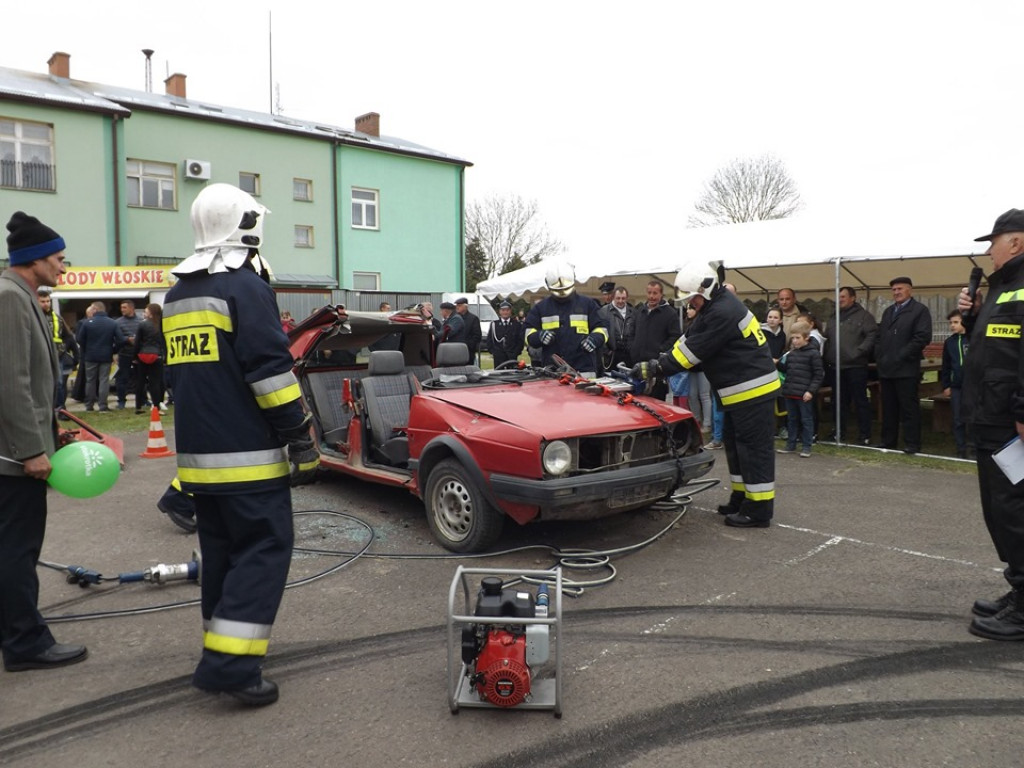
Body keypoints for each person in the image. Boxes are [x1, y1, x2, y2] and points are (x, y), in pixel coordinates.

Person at [163, 183, 319, 706]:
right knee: (264, 548)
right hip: (248, 459)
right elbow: (270, 372)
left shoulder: (179, 293)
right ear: (246, 227)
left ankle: (221, 645)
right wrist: (298, 434)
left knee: (223, 554)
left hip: (199, 462)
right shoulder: (245, 287)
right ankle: (232, 666)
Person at [0, 211, 87, 672]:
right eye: (58, 257)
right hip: (13, 456)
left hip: (19, 445)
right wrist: (31, 449)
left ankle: (15, 629)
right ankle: (25, 643)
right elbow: (10, 382)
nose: (62, 265)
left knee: (12, 546)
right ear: (34, 258)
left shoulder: (23, 294)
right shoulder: (10, 298)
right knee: (17, 548)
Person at [633, 263, 780, 527]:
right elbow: (687, 341)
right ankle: (742, 498)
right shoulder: (714, 307)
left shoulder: (721, 312)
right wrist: (660, 360)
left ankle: (759, 510)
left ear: (707, 290)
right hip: (740, 391)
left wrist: (656, 367)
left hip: (753, 390)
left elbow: (691, 353)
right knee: (737, 448)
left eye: (694, 297)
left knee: (754, 451)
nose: (692, 302)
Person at [958, 209, 1024, 640]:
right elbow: (996, 344)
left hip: (1010, 422)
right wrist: (972, 315)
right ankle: (1019, 589)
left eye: (994, 241)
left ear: (1016, 242)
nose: (989, 250)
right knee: (1002, 511)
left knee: (1016, 511)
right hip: (991, 416)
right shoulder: (1004, 287)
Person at [874, 276, 932, 454]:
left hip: (906, 369)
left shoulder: (919, 311)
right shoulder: (888, 311)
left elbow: (922, 337)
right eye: (893, 290)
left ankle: (912, 443)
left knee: (909, 408)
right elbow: (880, 336)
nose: (896, 292)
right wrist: (880, 356)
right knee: (889, 408)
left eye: (900, 289)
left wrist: (901, 355)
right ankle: (888, 441)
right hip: (887, 369)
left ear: (909, 290)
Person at [524, 262, 607, 376]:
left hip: (583, 369)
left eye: (565, 289)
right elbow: (527, 333)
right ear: (548, 285)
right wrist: (539, 336)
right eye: (557, 290)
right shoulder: (541, 308)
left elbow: (603, 329)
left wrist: (595, 339)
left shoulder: (588, 304)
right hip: (553, 369)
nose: (562, 293)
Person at [823, 286, 877, 446]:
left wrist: (860, 351)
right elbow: (827, 338)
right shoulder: (834, 317)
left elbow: (872, 334)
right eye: (838, 297)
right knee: (838, 401)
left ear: (853, 298)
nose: (840, 299)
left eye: (843, 296)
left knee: (860, 401)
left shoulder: (864, 316)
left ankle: (865, 434)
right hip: (835, 367)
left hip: (855, 366)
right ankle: (838, 432)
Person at [777, 321, 824, 457]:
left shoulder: (813, 354)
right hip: (790, 392)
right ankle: (790, 445)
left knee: (806, 420)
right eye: (793, 338)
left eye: (798, 338)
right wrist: (777, 364)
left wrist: (810, 391)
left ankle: (806, 446)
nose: (794, 341)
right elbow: (787, 370)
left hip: (804, 394)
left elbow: (818, 375)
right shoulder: (791, 354)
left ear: (806, 338)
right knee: (791, 419)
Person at [629, 280, 681, 401]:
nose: (651, 296)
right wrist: (632, 348)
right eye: (649, 293)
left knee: (656, 404)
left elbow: (675, 337)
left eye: (655, 293)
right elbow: (631, 332)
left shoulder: (670, 314)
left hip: (656, 369)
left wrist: (660, 351)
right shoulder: (640, 311)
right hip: (637, 366)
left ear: (661, 294)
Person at [37, 286, 79, 416]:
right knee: (40, 384)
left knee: (59, 383)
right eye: (43, 301)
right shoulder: (32, 316)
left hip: (57, 356)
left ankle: (61, 410)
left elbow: (69, 337)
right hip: (38, 355)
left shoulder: (57, 318)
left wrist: (69, 351)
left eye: (48, 301)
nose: (46, 304)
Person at [76, 301, 124, 412]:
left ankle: (89, 405)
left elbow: (79, 339)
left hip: (90, 356)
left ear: (95, 310)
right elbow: (121, 340)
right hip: (106, 355)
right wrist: (113, 350)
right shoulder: (112, 323)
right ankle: (103, 405)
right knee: (104, 380)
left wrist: (87, 348)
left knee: (90, 380)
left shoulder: (87, 323)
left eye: (92, 309)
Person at [940, 309, 969, 459]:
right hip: (956, 386)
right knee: (958, 418)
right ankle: (961, 448)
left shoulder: (973, 339)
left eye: (956, 322)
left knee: (972, 417)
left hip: (973, 387)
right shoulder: (949, 342)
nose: (952, 325)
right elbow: (946, 366)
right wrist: (946, 385)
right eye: (951, 322)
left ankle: (975, 448)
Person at [134, 303, 166, 415]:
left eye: (146, 311)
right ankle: (156, 406)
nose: (145, 313)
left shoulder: (142, 324)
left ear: (151, 313)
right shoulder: (161, 325)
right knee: (155, 382)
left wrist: (134, 356)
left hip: (143, 354)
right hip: (156, 355)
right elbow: (163, 341)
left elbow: (137, 342)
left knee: (140, 381)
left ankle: (138, 406)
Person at [597, 286, 635, 371]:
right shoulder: (603, 312)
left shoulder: (633, 312)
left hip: (628, 356)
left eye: (623, 298)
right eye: (618, 298)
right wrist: (606, 351)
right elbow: (598, 331)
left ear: (627, 298)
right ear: (613, 297)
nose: (620, 301)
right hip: (611, 356)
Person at [114, 299, 141, 410]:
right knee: (122, 378)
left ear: (131, 308)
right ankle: (121, 401)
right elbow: (115, 338)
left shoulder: (140, 321)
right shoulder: (118, 322)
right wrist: (126, 339)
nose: (122, 310)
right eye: (121, 308)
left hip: (138, 354)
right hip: (124, 354)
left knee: (140, 378)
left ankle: (142, 400)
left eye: (124, 307)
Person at [487, 300, 524, 368]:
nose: (505, 312)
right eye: (503, 310)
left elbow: (520, 340)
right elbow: (490, 340)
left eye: (507, 310)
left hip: (512, 356)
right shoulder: (494, 324)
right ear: (499, 311)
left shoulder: (517, 324)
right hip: (498, 357)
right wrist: (494, 352)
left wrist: (516, 352)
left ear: (510, 311)